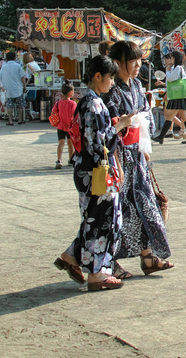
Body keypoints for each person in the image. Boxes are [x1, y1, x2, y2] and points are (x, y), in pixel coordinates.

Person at [54, 55, 132, 291]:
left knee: (94, 218)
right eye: (110, 78)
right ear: (98, 76)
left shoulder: (87, 100)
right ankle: (97, 273)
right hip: (97, 170)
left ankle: (74, 258)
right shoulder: (95, 103)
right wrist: (119, 127)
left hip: (86, 169)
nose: (112, 83)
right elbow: (99, 143)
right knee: (103, 221)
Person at [105, 41, 173, 278]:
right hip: (119, 156)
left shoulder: (135, 85)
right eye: (132, 60)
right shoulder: (111, 90)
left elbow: (145, 113)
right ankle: (104, 261)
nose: (137, 65)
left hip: (137, 154)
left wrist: (143, 134)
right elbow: (109, 126)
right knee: (116, 210)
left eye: (139, 60)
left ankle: (147, 256)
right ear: (118, 62)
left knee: (144, 206)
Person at [152, 51, 186, 144]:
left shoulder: (178, 68)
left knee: (169, 116)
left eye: (172, 57)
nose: (170, 59)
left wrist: (167, 71)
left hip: (178, 96)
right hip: (179, 95)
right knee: (184, 117)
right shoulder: (175, 68)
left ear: (175, 58)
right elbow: (170, 82)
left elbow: (171, 79)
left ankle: (161, 137)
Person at [52, 81, 76, 169]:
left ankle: (59, 160)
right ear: (70, 93)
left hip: (60, 126)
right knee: (70, 143)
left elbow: (54, 111)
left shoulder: (58, 103)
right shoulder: (73, 103)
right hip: (70, 127)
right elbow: (75, 114)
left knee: (61, 143)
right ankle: (71, 159)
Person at [0, 52, 26, 125]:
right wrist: (24, 86)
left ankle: (10, 121)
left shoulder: (3, 67)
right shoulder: (18, 66)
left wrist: (1, 87)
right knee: (20, 105)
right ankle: (20, 119)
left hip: (7, 89)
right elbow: (22, 77)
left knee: (9, 105)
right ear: (15, 58)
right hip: (18, 88)